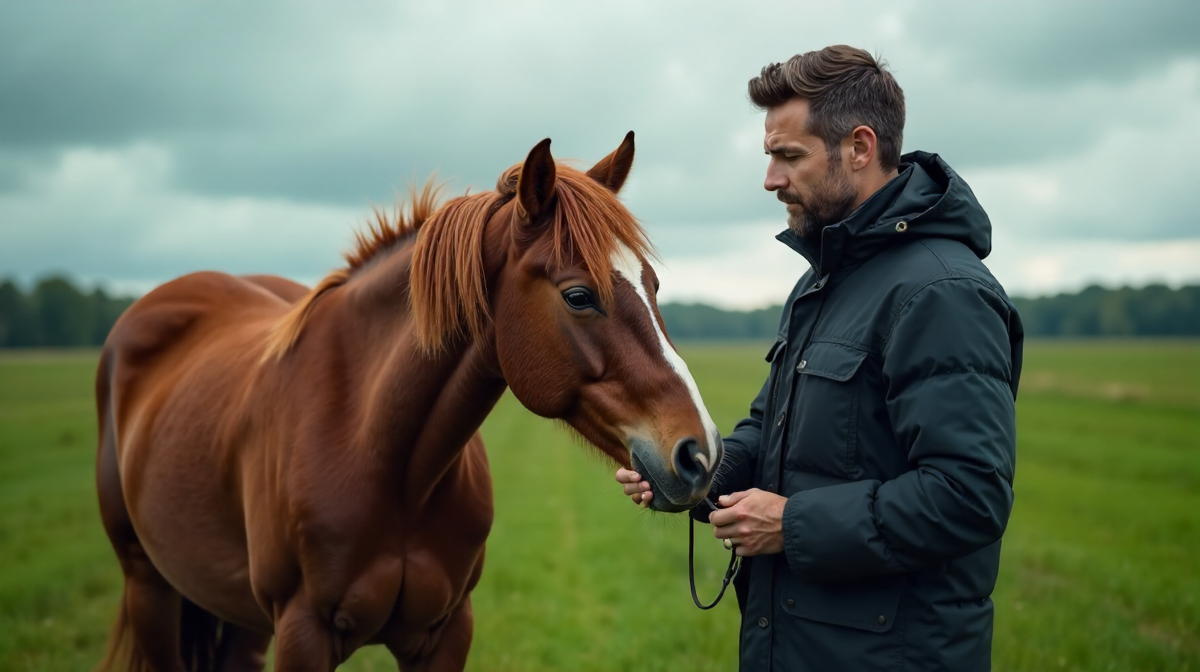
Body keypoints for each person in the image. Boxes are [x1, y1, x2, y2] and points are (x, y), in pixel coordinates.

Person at [616, 45, 1023, 671]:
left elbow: (968, 494)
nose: (771, 179)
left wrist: (793, 524)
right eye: (769, 156)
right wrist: (696, 479)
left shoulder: (942, 294)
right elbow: (770, 440)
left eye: (789, 156)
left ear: (859, 148)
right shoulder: (820, 283)